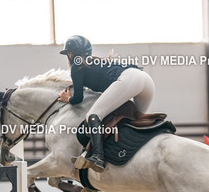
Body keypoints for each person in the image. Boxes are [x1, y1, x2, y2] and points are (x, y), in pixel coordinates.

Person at [58, 35, 155, 172]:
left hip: (130, 79)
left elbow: (78, 98)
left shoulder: (76, 66)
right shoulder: (97, 62)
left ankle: (98, 157)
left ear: (70, 54)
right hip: (146, 81)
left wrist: (67, 98)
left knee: (93, 115)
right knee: (135, 120)